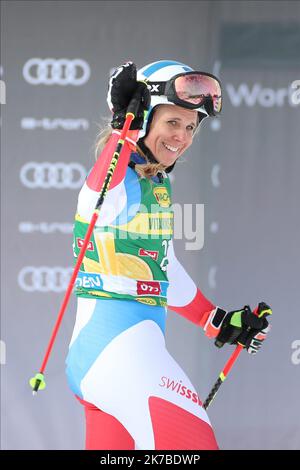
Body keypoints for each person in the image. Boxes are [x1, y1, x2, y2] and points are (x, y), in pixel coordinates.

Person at [65, 60, 271, 450]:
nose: (183, 136)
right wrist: (121, 130)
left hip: (108, 360)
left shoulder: (153, 182)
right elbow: (98, 194)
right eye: (172, 122)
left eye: (191, 126)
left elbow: (162, 268)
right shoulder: (118, 178)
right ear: (144, 120)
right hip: (120, 357)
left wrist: (217, 320)